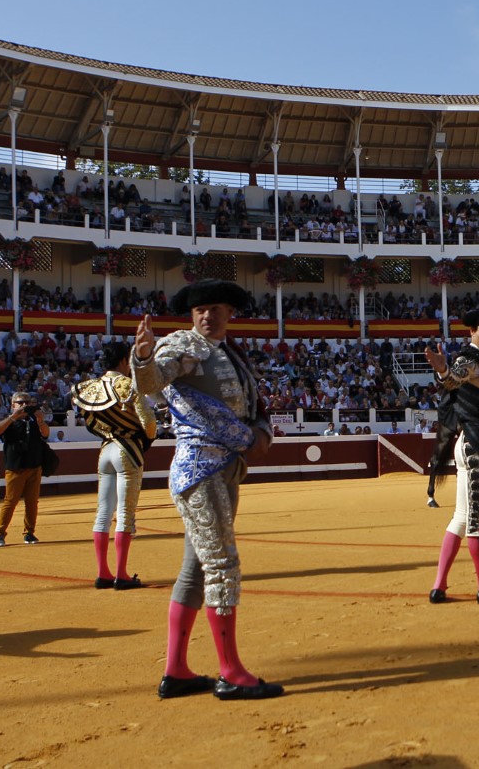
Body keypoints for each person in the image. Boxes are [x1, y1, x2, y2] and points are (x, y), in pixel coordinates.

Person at [132, 279, 282, 700]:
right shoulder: (184, 345)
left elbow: (253, 406)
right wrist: (143, 356)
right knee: (221, 566)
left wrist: (261, 432)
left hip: (224, 466)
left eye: (215, 308)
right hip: (202, 467)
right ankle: (230, 671)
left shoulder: (229, 352)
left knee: (196, 569)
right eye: (199, 309)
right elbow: (150, 382)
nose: (206, 315)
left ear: (230, 312)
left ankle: (177, 670)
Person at [423, 308, 479, 605]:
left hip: (468, 444)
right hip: (477, 446)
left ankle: (439, 585)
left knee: (461, 518)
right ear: (471, 332)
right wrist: (443, 371)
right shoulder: (471, 359)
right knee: (478, 520)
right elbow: (454, 379)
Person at [74, 340, 157, 590]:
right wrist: (146, 439)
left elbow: (89, 420)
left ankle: (103, 573)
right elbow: (149, 422)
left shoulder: (90, 387)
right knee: (125, 513)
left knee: (102, 513)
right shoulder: (128, 385)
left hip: (106, 450)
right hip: (127, 450)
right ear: (124, 361)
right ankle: (121, 574)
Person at [0, 392, 50, 547]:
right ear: (13, 405)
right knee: (10, 501)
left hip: (34, 466)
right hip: (15, 468)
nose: (24, 405)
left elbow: (46, 434)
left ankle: (29, 533)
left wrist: (40, 420)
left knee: (32, 502)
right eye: (20, 403)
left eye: (27, 403)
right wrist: (13, 417)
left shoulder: (34, 422)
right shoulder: (9, 422)